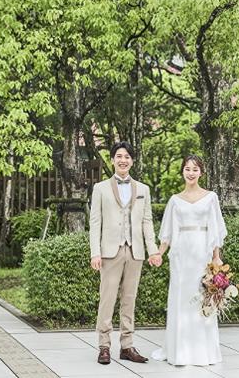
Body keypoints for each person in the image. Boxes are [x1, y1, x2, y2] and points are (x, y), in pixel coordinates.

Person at [89, 141, 162, 366]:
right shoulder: (100, 188)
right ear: (112, 160)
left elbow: (147, 221)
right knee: (107, 299)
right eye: (119, 156)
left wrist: (153, 251)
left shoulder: (143, 189)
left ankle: (127, 346)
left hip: (135, 251)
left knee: (129, 300)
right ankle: (104, 346)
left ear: (132, 161)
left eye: (127, 156)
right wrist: (95, 253)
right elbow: (95, 222)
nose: (123, 160)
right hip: (110, 251)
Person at [151, 155, 227, 366]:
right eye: (187, 169)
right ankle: (180, 351)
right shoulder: (175, 200)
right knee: (181, 299)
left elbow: (215, 229)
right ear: (183, 171)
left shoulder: (211, 197)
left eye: (195, 169)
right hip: (181, 255)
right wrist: (159, 252)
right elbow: (166, 232)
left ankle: (203, 351)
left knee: (202, 297)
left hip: (202, 253)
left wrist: (216, 257)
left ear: (201, 172)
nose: (191, 173)